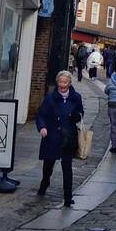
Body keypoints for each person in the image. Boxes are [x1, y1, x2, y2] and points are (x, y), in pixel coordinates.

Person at [35, 70, 84, 206]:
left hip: (68, 137)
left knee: (67, 167)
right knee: (48, 166)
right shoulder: (50, 98)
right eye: (60, 82)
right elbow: (41, 115)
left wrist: (75, 115)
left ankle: (68, 197)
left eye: (65, 82)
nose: (62, 85)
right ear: (57, 82)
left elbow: (80, 114)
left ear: (69, 83)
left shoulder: (76, 97)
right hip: (52, 136)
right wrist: (42, 128)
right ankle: (44, 184)